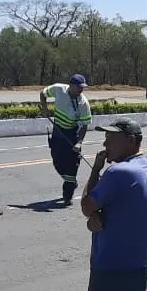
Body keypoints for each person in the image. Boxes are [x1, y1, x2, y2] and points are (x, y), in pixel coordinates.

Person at [81, 119, 147, 291]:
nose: (105, 144)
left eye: (110, 139)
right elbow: (128, 208)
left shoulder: (118, 172)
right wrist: (97, 215)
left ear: (130, 140)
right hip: (139, 264)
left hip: (111, 267)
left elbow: (86, 206)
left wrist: (96, 169)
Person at [39, 73, 93, 204]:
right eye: (79, 87)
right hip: (58, 131)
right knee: (57, 161)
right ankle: (71, 182)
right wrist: (45, 108)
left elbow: (84, 126)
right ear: (71, 85)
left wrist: (79, 143)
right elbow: (43, 93)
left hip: (73, 134)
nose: (81, 90)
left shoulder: (83, 103)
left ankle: (68, 194)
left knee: (71, 166)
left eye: (83, 87)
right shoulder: (58, 89)